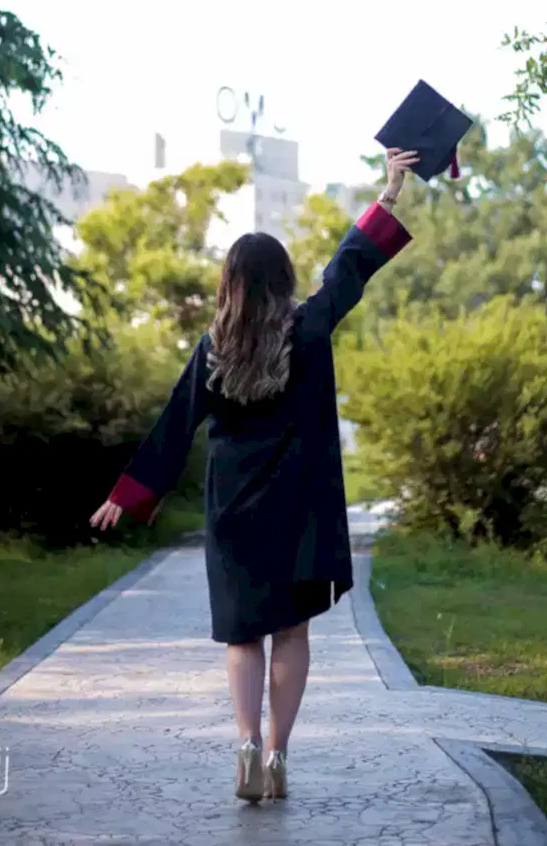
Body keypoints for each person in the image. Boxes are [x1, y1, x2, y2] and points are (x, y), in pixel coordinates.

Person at [89, 147, 418, 802]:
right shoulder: (309, 329)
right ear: (283, 279)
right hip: (298, 511)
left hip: (235, 514)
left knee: (243, 637)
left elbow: (175, 424)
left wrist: (127, 494)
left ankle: (244, 746)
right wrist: (389, 190)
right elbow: (349, 266)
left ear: (229, 284)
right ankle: (277, 756)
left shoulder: (214, 348)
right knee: (290, 632)